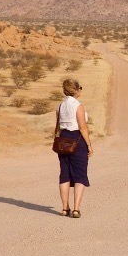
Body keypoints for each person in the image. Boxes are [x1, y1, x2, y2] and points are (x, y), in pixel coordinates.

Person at [54, 78, 93, 218]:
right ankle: (76, 209)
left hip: (63, 140)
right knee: (80, 175)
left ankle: (65, 208)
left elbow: (57, 128)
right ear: (77, 90)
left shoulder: (60, 106)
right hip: (77, 140)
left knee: (64, 174)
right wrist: (89, 145)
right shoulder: (78, 106)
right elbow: (83, 127)